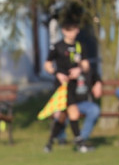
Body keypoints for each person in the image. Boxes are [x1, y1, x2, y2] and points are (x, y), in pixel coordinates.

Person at [43, 20, 84, 152]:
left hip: (73, 85)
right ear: (64, 31)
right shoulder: (57, 47)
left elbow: (85, 64)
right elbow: (47, 65)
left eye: (75, 30)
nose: (73, 33)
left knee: (62, 116)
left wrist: (79, 69)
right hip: (61, 86)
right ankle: (80, 143)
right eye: (70, 30)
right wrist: (57, 73)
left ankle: (49, 143)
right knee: (74, 112)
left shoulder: (79, 46)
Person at [67, 59, 102, 152]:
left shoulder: (89, 72)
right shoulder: (70, 70)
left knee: (94, 110)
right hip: (70, 102)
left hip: (84, 103)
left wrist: (98, 83)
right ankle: (60, 139)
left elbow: (97, 77)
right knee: (61, 115)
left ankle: (81, 139)